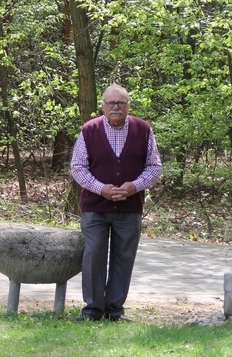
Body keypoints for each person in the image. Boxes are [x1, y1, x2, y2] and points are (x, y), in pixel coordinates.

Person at [70, 84, 163, 322]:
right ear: (102, 106)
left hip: (129, 208)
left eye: (121, 103)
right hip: (95, 208)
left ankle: (114, 311)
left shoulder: (143, 129)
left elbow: (154, 167)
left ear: (128, 106)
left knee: (124, 258)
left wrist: (134, 186)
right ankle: (92, 310)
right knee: (93, 257)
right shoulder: (89, 130)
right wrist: (102, 189)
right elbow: (77, 167)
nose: (115, 107)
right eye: (110, 103)